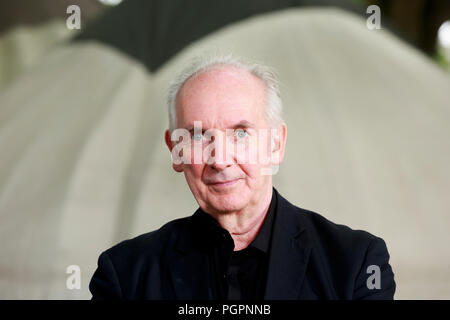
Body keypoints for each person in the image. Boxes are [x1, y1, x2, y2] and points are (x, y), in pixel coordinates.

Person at [89, 54, 396, 300]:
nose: (220, 159)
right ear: (176, 151)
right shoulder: (125, 275)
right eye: (198, 136)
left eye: (240, 133)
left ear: (276, 144)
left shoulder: (356, 263)